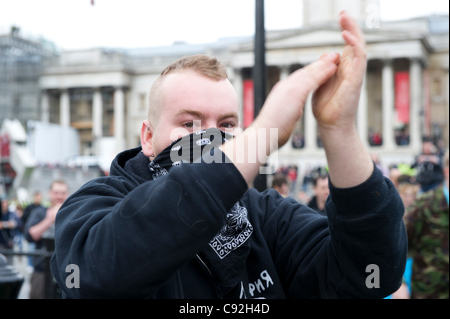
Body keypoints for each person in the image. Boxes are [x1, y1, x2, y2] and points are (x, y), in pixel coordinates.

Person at [50, 12, 407, 299]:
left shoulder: (265, 215)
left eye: (227, 123)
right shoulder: (95, 205)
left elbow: (370, 276)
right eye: (190, 123)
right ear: (148, 137)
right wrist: (258, 138)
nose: (211, 137)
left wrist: (339, 131)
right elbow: (94, 280)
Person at [402, 149, 449, 299]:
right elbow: (395, 246)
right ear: (447, 171)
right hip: (430, 293)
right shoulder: (424, 205)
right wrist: (399, 284)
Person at [25, 180, 69, 299]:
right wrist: (50, 219)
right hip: (42, 269)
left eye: (63, 193)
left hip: (68, 270)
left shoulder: (73, 212)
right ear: (50, 193)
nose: (59, 196)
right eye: (56, 193)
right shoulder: (39, 212)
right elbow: (30, 235)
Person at [0, 197, 22, 265]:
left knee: (10, 263)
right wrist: (7, 224)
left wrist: (5, 224)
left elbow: (18, 223)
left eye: (6, 202)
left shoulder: (11, 213)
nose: (5, 204)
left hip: (10, 242)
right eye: (3, 202)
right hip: (1, 242)